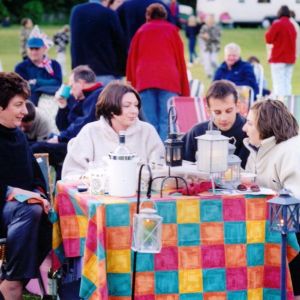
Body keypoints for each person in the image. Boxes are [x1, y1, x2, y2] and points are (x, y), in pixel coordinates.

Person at [0, 72, 51, 300]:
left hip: (20, 215)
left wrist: (40, 195)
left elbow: (35, 178)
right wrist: (16, 193)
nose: (24, 110)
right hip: (8, 210)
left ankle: (13, 280)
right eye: (18, 104)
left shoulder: (18, 137)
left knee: (49, 213)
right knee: (30, 209)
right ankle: (12, 282)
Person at [242, 99, 300, 299]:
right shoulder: (257, 149)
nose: (244, 128)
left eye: (249, 123)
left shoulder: (293, 149)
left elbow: (295, 198)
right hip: (270, 223)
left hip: (292, 228)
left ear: (265, 125)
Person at [62, 81, 164, 180]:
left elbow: (161, 170)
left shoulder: (147, 131)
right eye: (127, 106)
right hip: (97, 195)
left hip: (141, 194)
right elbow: (71, 173)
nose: (134, 111)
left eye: (136, 105)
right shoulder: (90, 131)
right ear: (110, 109)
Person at [126, 3, 190, 141]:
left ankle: (152, 155)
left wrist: (131, 83)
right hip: (169, 81)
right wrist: (185, 89)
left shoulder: (141, 31)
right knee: (167, 122)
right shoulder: (173, 30)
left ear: (148, 16)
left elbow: (131, 60)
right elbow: (180, 61)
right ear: (165, 15)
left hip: (144, 81)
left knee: (149, 122)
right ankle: (164, 156)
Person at [30, 65, 103, 180]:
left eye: (71, 85)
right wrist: (63, 106)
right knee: (35, 144)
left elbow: (84, 124)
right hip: (73, 142)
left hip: (85, 146)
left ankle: (41, 188)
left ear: (81, 83)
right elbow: (63, 126)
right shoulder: (80, 97)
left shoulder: (98, 95)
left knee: (37, 148)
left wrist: (60, 138)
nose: (70, 88)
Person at [183, 80, 249, 168]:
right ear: (208, 111)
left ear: (237, 106)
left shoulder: (249, 131)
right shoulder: (197, 132)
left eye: (228, 111)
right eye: (217, 112)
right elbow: (184, 166)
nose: (223, 118)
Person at [70, 0, 126, 85]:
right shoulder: (109, 14)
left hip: (80, 75)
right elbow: (120, 46)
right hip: (104, 73)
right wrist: (121, 72)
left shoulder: (76, 11)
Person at [15, 26, 62, 105]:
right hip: (30, 105)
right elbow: (22, 89)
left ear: (44, 48)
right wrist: (48, 84)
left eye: (37, 49)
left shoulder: (54, 65)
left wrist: (36, 82)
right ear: (27, 49)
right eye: (31, 49)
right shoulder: (21, 67)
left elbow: (58, 83)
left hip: (52, 103)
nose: (33, 52)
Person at [265, 5, 296, 97]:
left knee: (278, 82)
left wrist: (268, 30)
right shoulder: (292, 25)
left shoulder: (277, 24)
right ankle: (287, 101)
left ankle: (279, 102)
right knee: (287, 82)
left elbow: (269, 39)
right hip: (290, 58)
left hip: (278, 57)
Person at [199, 14, 221, 79]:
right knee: (206, 61)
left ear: (213, 20)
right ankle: (209, 74)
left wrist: (208, 37)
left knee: (214, 60)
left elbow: (216, 37)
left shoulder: (217, 28)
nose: (209, 21)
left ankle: (218, 71)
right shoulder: (204, 27)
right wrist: (203, 36)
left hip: (214, 47)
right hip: (205, 48)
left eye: (211, 20)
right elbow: (200, 35)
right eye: (208, 20)